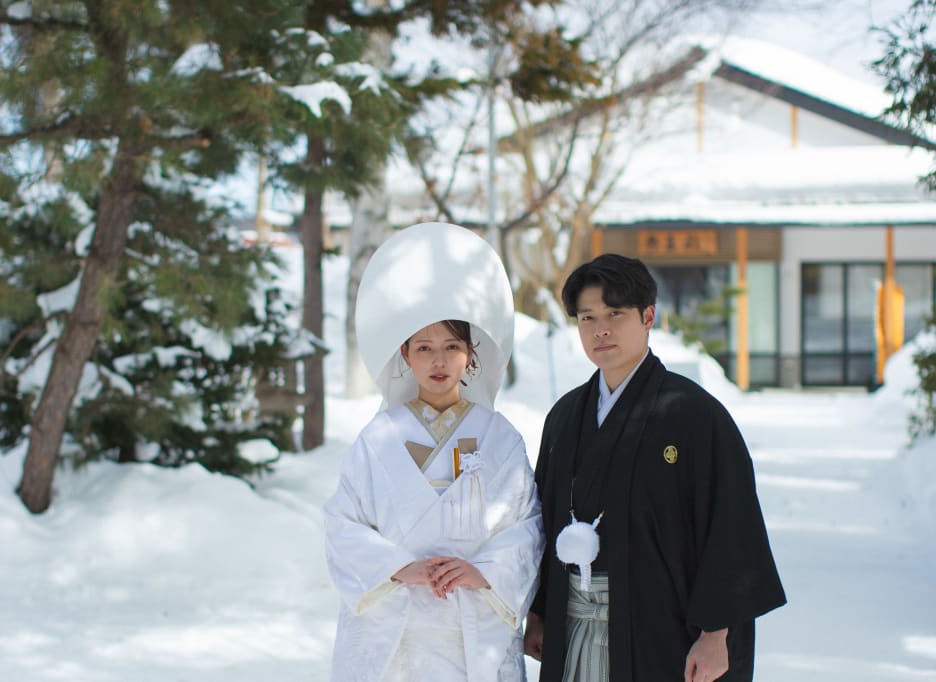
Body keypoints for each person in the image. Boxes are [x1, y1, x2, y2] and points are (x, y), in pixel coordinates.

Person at [523, 253, 786, 682]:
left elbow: (730, 530)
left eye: (615, 314)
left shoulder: (695, 416)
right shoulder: (566, 416)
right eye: (587, 318)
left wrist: (716, 635)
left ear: (648, 317)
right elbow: (542, 522)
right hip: (574, 624)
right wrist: (538, 612)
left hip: (663, 629)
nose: (600, 330)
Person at [323, 223, 544, 682]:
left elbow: (527, 528)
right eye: (424, 348)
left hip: (472, 629)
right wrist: (403, 568)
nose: (438, 361)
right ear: (405, 355)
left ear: (470, 355)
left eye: (451, 347)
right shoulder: (378, 437)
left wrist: (480, 571)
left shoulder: (500, 438)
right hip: (398, 636)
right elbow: (342, 527)